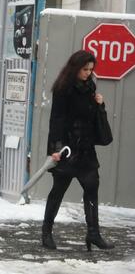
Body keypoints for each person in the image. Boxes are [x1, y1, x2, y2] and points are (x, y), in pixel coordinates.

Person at [42, 50, 114, 251]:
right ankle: (46, 232)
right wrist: (55, 149)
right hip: (67, 150)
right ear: (75, 68)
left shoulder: (90, 85)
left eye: (91, 70)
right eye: (85, 69)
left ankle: (93, 234)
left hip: (86, 150)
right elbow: (56, 121)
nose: (88, 73)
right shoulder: (63, 89)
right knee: (58, 191)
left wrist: (100, 104)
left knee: (92, 191)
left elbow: (91, 117)